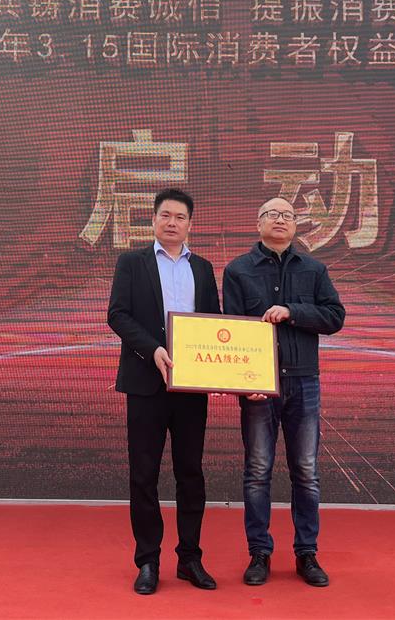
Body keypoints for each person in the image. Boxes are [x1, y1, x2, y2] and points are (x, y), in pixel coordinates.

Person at [222, 196, 345, 588]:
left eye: (288, 215)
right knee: (257, 472)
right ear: (258, 223)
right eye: (272, 214)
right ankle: (259, 552)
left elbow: (335, 317)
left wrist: (293, 311)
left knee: (306, 471)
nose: (280, 220)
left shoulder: (314, 269)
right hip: (259, 387)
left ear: (295, 225)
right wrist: (244, 384)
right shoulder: (238, 270)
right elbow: (231, 330)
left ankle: (307, 553)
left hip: (304, 382)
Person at [107, 188, 221, 595]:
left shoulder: (203, 268)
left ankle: (190, 558)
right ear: (153, 219)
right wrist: (153, 349)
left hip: (190, 387)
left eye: (180, 217)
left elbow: (213, 323)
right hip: (145, 383)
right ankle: (148, 561)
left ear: (190, 224)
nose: (172, 222)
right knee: (144, 474)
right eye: (165, 215)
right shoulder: (132, 262)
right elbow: (118, 315)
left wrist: (220, 373)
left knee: (191, 473)